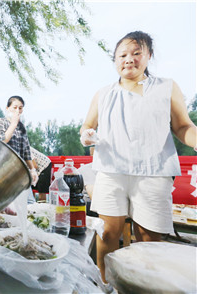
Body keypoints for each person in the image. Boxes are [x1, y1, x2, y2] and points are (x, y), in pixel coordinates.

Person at [80, 31, 197, 283]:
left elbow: (183, 126)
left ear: (148, 56)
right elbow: (87, 126)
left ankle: (144, 287)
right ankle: (105, 285)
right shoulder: (104, 93)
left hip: (153, 171)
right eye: (122, 55)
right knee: (108, 233)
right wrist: (87, 135)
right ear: (115, 60)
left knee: (148, 237)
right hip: (111, 171)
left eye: (136, 53)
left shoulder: (166, 87)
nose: (129, 59)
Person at [0, 95, 38, 204]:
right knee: (8, 204)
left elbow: (26, 151)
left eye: (20, 108)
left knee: (30, 203)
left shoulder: (21, 127)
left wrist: (32, 170)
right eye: (15, 107)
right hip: (4, 170)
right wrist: (13, 123)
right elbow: (2, 141)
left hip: (20, 171)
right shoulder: (1, 122)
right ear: (7, 108)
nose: (17, 110)